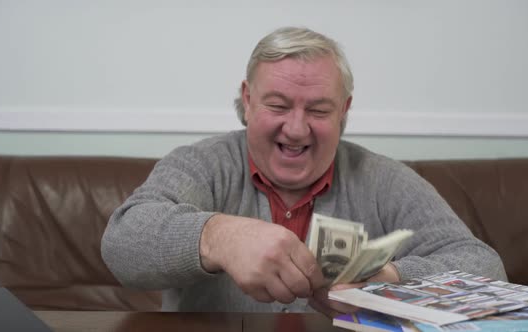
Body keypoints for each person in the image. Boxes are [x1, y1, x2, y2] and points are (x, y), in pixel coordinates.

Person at [101, 26, 507, 315]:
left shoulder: (385, 179)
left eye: (318, 110)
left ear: (344, 111)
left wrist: (390, 275)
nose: (296, 129)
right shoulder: (202, 164)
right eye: (277, 105)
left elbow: (486, 269)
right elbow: (122, 245)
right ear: (248, 99)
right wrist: (218, 237)